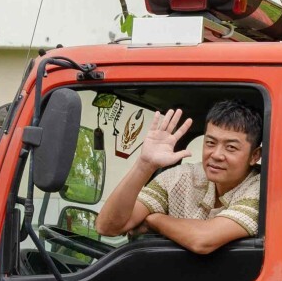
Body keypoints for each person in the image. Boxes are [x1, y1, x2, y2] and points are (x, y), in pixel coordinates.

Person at [94, 100, 263, 255]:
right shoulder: (181, 177)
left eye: (231, 147)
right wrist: (144, 165)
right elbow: (107, 226)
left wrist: (154, 220)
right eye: (210, 143)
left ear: (255, 155)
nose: (216, 155)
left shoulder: (262, 189)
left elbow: (203, 240)